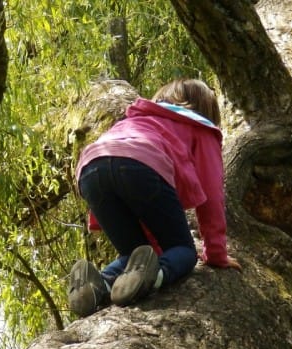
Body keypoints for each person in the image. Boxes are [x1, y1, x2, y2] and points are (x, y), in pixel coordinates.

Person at [67, 78, 241, 317]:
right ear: (207, 109)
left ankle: (97, 284)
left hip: (90, 168)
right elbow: (212, 194)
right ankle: (154, 276)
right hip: (141, 165)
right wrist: (216, 253)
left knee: (135, 254)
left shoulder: (134, 120)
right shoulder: (201, 127)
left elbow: (126, 184)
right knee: (183, 250)